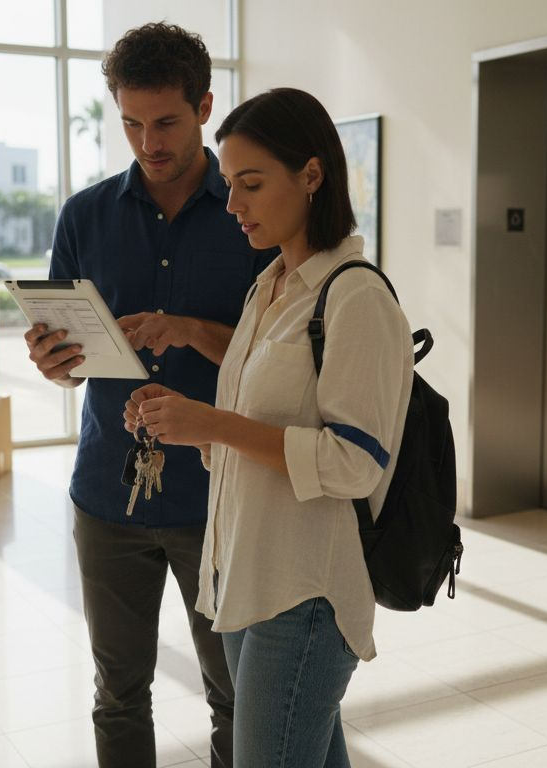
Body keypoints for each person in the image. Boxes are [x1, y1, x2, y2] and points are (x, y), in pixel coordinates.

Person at [125, 88, 414, 767]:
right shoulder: (270, 288)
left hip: (305, 592)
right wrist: (179, 421)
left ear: (311, 176)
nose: (234, 206)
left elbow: (355, 461)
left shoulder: (356, 296)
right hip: (243, 573)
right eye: (229, 186)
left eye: (251, 184)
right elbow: (247, 430)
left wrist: (217, 425)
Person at [23, 22, 274, 768]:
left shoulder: (254, 217)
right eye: (131, 122)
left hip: (221, 493)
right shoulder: (84, 216)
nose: (147, 141)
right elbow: (72, 365)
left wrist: (193, 330)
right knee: (119, 693)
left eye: (165, 121)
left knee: (236, 695)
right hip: (108, 494)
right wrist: (55, 363)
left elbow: (280, 361)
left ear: (204, 106)